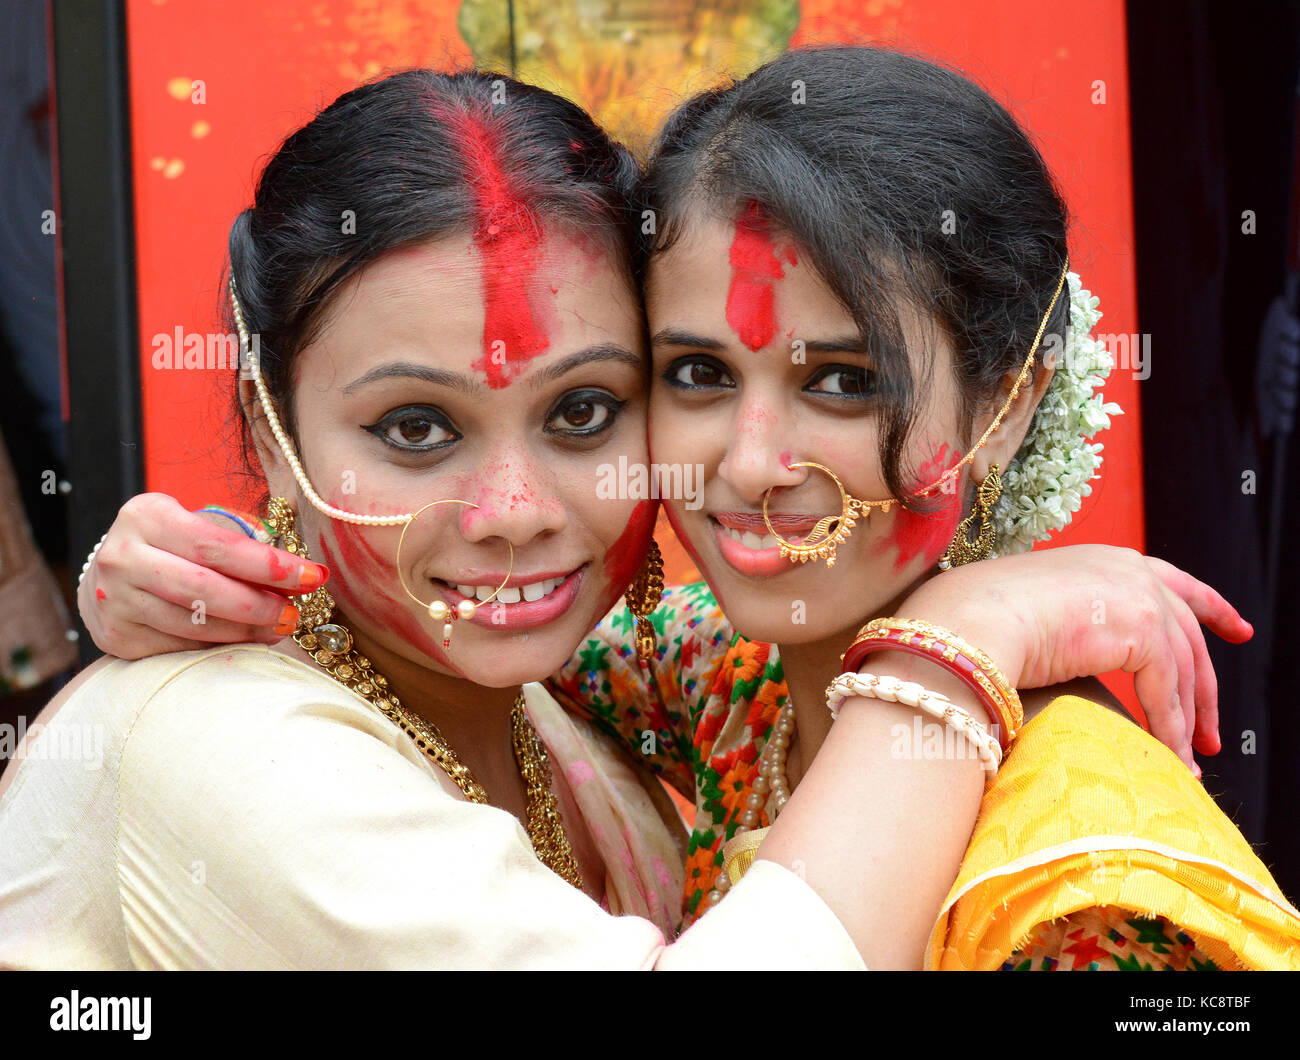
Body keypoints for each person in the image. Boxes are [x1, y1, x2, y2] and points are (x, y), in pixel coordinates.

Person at [22, 52, 1300, 969]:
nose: (518, 513)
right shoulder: (713, 685)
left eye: (582, 411)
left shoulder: (1098, 891)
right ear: (269, 427)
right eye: (415, 428)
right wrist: (973, 626)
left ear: (1013, 401)